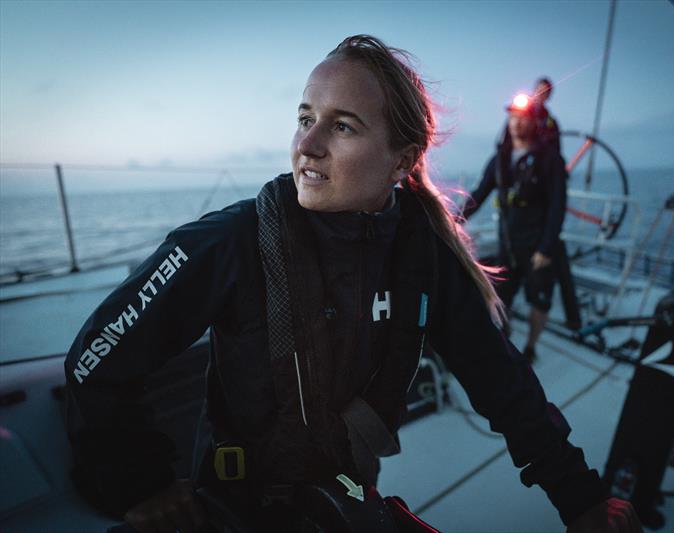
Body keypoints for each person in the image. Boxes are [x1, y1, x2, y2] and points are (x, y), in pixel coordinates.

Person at [64, 35, 640, 533]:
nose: (307, 146)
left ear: (400, 162)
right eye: (305, 118)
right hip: (235, 506)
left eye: (342, 126)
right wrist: (142, 483)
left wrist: (581, 497)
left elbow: (500, 379)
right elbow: (95, 360)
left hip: (346, 493)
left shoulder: (420, 254)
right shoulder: (232, 242)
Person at [462, 92, 568, 364]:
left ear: (533, 122)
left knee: (539, 300)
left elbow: (558, 205)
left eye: (522, 118)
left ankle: (531, 346)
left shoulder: (550, 159)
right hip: (509, 245)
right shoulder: (500, 159)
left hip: (539, 247)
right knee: (498, 298)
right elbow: (479, 195)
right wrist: (451, 220)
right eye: (512, 117)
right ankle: (504, 343)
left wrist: (546, 248)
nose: (516, 123)